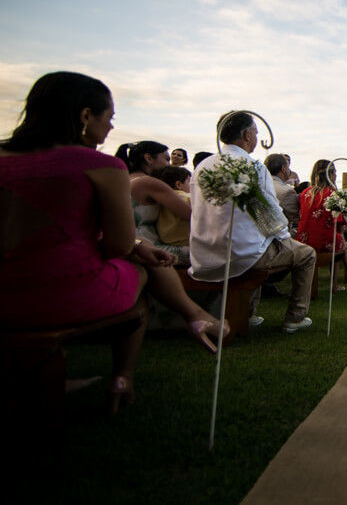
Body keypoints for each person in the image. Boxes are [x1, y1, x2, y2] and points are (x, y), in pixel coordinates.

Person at [0, 72, 227, 411]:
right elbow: (119, 245)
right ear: (85, 116)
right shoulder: (100, 166)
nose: (110, 130)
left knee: (142, 254)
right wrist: (135, 245)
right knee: (140, 269)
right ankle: (123, 377)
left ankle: (191, 317)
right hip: (65, 292)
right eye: (109, 119)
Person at [190, 111, 317, 333]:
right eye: (256, 133)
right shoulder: (254, 166)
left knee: (260, 242)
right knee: (306, 254)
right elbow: (271, 213)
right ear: (247, 135)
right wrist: (285, 238)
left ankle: (248, 313)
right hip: (242, 255)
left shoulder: (203, 166)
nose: (257, 138)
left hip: (204, 254)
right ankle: (295, 317)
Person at [115, 140, 192, 265]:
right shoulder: (148, 182)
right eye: (166, 159)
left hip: (133, 245)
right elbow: (191, 215)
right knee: (210, 254)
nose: (169, 165)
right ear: (149, 158)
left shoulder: (129, 178)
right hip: (146, 248)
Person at [296, 159, 347, 291]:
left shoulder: (306, 193)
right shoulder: (332, 194)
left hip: (302, 241)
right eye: (335, 173)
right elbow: (339, 223)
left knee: (336, 236)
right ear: (331, 174)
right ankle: (335, 283)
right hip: (324, 244)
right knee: (338, 237)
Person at [156, 166, 192, 249]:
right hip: (181, 242)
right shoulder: (180, 195)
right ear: (178, 184)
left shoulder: (163, 196)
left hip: (169, 239)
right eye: (189, 182)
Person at [264, 153, 300, 235]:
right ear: (283, 169)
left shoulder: (261, 184)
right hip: (278, 235)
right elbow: (296, 219)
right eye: (288, 168)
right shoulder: (287, 191)